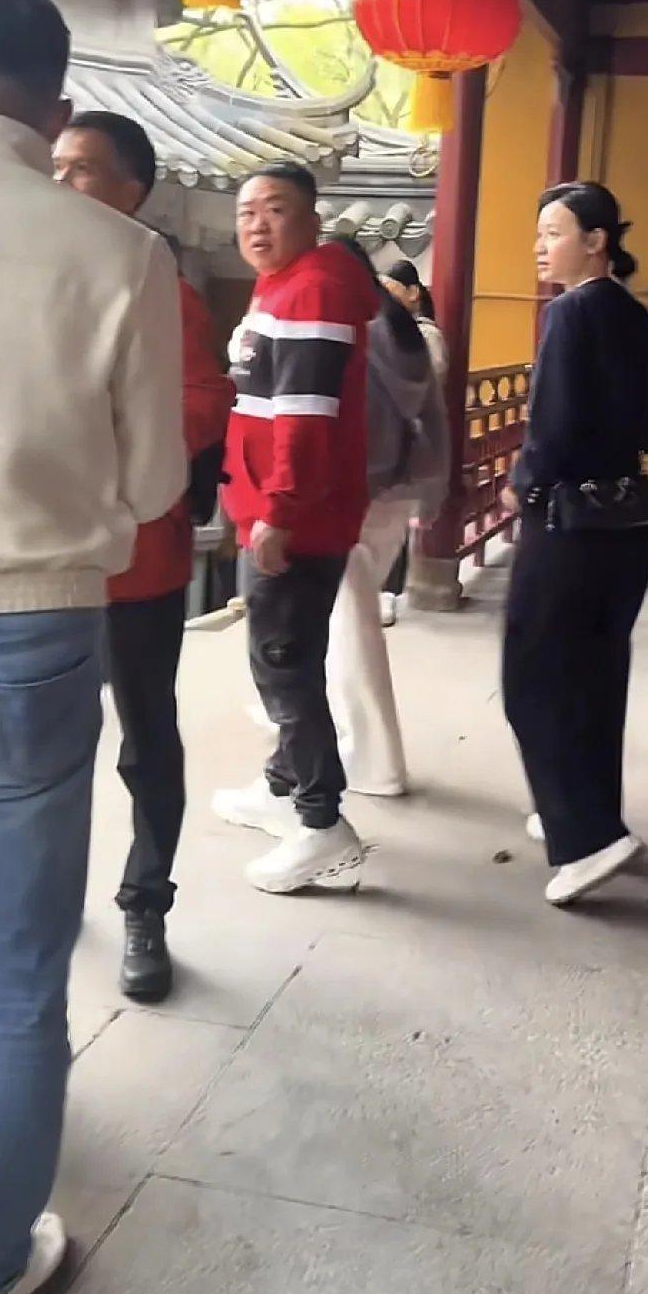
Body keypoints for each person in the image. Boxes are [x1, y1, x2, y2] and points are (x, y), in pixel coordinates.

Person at [0, 0, 185, 1294]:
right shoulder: (118, 253)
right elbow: (151, 486)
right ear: (58, 103)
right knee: (21, 977)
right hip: (34, 625)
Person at [53, 111, 233, 1001]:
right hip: (46, 563)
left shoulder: (160, 283)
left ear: (134, 190)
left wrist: (113, 450)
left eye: (83, 168)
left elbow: (204, 399)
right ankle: (50, 896)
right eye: (56, 164)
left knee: (146, 740)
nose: (61, 182)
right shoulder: (36, 268)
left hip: (136, 565)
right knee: (45, 746)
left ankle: (145, 905)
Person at [503, 182, 648, 908]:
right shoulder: (630, 313)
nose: (540, 246)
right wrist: (612, 448)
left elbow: (549, 429)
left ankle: (585, 841)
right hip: (626, 525)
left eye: (554, 232)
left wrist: (523, 485)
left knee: (536, 678)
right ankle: (585, 817)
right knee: (596, 677)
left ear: (596, 240)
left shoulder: (570, 312)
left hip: (567, 529)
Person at [212, 163, 378, 893]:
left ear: (311, 220)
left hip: (297, 519)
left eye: (275, 209)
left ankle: (321, 822)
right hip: (276, 508)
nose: (256, 224)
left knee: (284, 667)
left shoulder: (311, 289)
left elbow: (306, 418)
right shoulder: (282, 284)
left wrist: (278, 513)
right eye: (246, 211)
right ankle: (280, 786)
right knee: (285, 654)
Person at [324, 238, 448, 796]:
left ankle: (374, 759)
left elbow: (363, 420)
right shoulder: (401, 328)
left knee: (349, 628)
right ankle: (359, 747)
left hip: (362, 494)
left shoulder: (364, 329)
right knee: (352, 621)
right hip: (397, 490)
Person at [379, 261, 447, 623]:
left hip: (411, 433)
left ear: (413, 293)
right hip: (392, 432)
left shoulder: (425, 335)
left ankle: (389, 591)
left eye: (390, 289)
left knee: (395, 517)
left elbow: (428, 382)